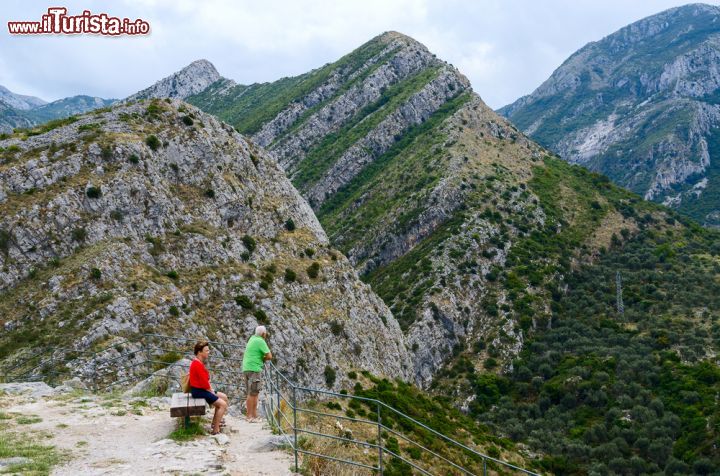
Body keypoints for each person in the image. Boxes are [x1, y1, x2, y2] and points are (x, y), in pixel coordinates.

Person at [189, 341, 228, 435]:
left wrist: (211, 390)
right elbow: (204, 383)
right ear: (199, 352)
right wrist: (211, 391)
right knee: (222, 404)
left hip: (201, 389)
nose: (208, 352)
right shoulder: (197, 364)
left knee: (224, 397)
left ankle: (215, 423)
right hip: (199, 391)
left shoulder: (198, 362)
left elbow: (204, 381)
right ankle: (215, 430)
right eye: (206, 350)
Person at [242, 325, 272, 422]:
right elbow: (269, 356)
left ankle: (253, 415)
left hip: (246, 368)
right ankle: (250, 416)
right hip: (254, 369)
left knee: (252, 393)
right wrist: (263, 359)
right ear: (263, 334)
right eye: (265, 333)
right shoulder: (260, 341)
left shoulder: (252, 338)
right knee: (253, 393)